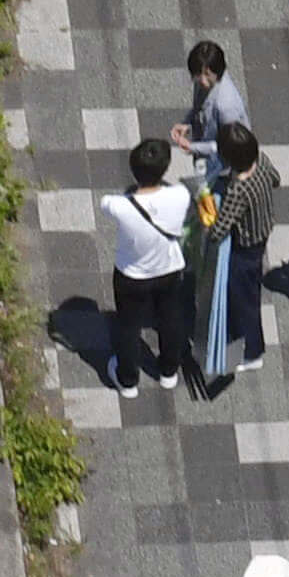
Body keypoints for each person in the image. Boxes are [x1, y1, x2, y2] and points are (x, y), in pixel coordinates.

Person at [100, 137, 192, 397]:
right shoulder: (181, 195)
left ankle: (128, 381)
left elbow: (104, 203)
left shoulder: (119, 206)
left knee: (129, 326)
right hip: (170, 269)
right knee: (170, 318)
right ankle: (168, 372)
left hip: (131, 276)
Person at [208, 121, 278, 375]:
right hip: (263, 231)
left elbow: (220, 228)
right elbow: (276, 179)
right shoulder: (262, 159)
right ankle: (250, 347)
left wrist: (206, 218)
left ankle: (252, 352)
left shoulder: (237, 189)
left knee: (243, 299)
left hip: (246, 246)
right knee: (248, 291)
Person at [170, 38, 248, 172]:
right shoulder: (203, 82)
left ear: (218, 72)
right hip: (207, 149)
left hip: (223, 164)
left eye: (207, 75)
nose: (202, 80)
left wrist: (192, 147)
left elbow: (228, 146)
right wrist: (187, 122)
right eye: (198, 74)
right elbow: (199, 106)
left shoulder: (226, 106)